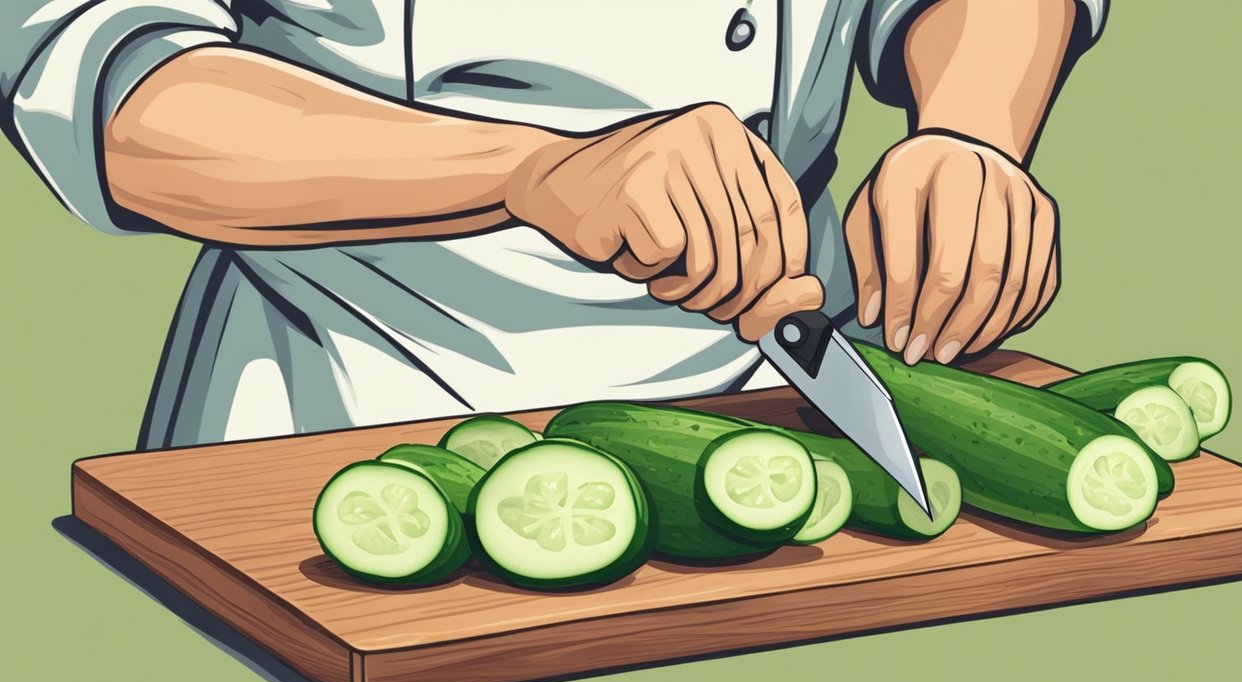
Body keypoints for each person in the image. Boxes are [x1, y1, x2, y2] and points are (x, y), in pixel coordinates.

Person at [2, 0, 1105, 449]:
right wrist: (533, 169)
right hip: (361, 407)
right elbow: (122, 97)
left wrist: (971, 129)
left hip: (791, 394)